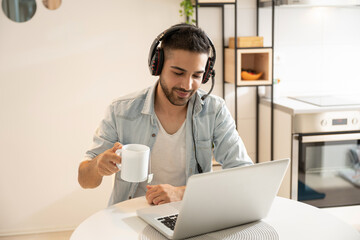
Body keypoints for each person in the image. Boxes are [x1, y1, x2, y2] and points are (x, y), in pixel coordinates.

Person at [78, 23, 253, 206]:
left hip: (189, 214)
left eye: (196, 76)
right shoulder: (121, 110)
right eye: (178, 73)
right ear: (158, 66)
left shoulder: (214, 111)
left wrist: (182, 193)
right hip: (130, 216)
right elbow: (84, 180)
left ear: (207, 74)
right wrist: (98, 165)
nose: (187, 85)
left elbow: (243, 174)